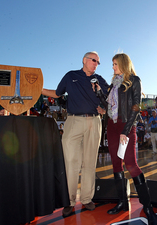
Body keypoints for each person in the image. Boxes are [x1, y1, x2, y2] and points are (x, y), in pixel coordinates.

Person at [41, 51, 109, 217]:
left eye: (98, 62)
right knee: (70, 162)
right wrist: (39, 90)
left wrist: (105, 108)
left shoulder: (99, 80)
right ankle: (69, 201)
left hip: (94, 122)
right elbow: (57, 94)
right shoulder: (71, 76)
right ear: (85, 60)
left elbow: (110, 99)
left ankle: (86, 198)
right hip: (73, 121)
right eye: (94, 60)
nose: (96, 64)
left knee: (89, 162)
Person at [94, 53, 157, 224]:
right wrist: (100, 92)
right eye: (112, 64)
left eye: (115, 64)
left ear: (123, 64)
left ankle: (148, 207)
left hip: (126, 125)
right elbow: (109, 105)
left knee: (131, 164)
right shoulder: (113, 85)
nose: (113, 67)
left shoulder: (134, 81)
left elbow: (136, 107)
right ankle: (122, 202)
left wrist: (126, 129)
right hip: (112, 126)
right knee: (116, 163)